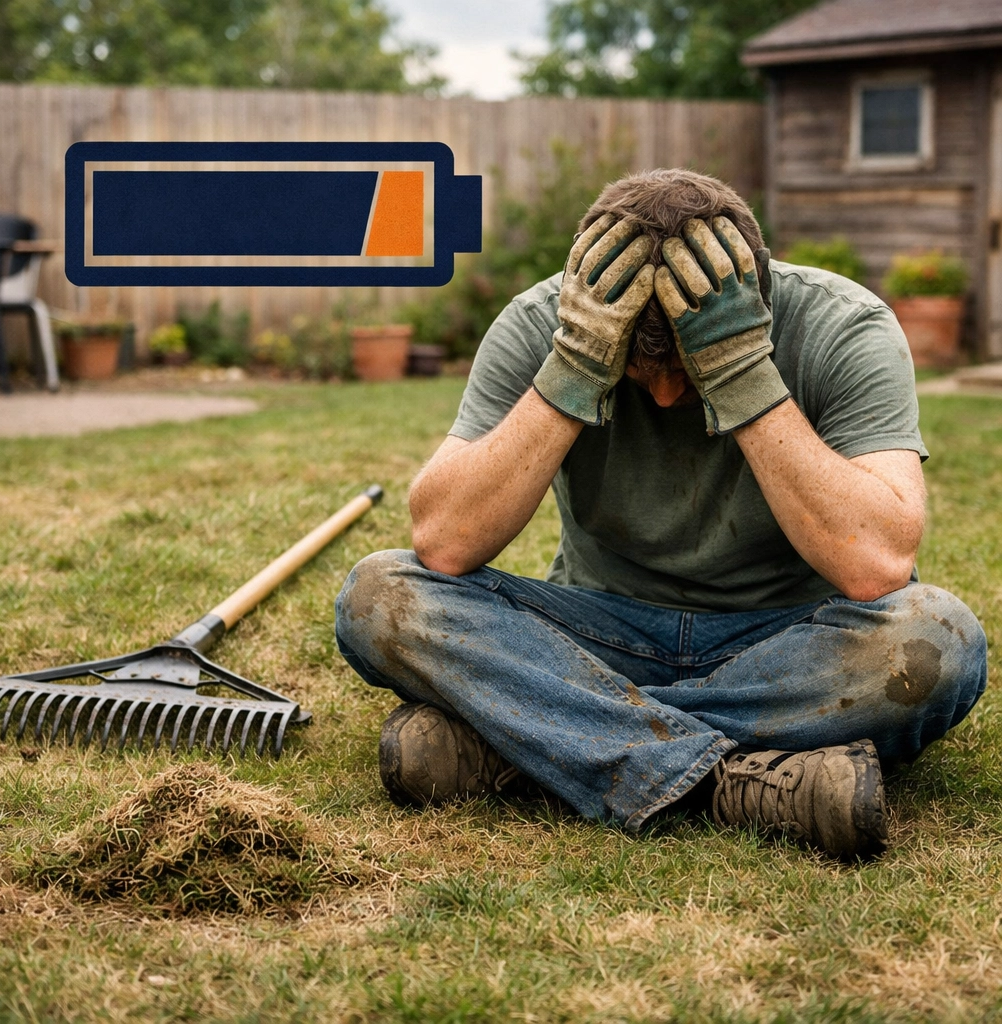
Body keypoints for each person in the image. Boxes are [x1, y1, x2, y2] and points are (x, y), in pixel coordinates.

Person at [334, 168, 987, 860]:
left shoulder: (843, 324)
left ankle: (541, 743)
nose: (671, 393)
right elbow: (444, 543)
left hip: (788, 642)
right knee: (379, 597)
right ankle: (734, 779)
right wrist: (581, 361)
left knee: (938, 642)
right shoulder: (547, 324)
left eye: (685, 365)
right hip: (598, 634)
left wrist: (738, 368)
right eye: (645, 369)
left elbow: (877, 562)